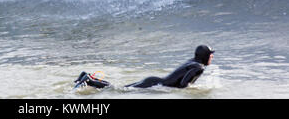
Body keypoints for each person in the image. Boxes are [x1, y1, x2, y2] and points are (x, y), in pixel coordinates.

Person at [74, 45, 215, 89]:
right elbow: (184, 84)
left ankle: (89, 77)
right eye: (210, 54)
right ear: (205, 56)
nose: (212, 57)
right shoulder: (199, 68)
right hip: (155, 84)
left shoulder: (193, 62)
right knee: (119, 90)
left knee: (120, 89)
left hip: (154, 81)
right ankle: (89, 80)